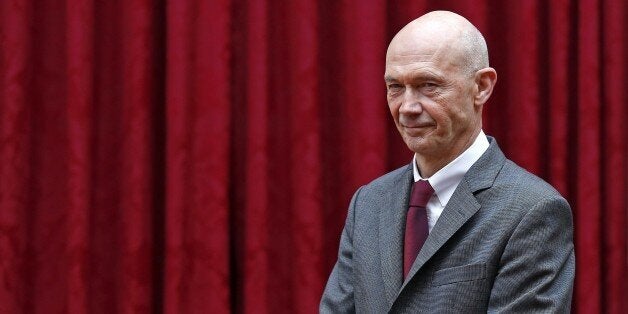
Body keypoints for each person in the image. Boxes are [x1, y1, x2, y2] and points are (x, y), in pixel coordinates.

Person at [320, 10, 575, 313]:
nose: (407, 107)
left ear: (481, 87)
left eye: (428, 85)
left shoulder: (533, 210)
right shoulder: (369, 203)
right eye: (395, 87)